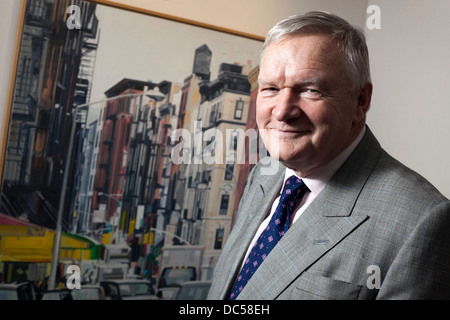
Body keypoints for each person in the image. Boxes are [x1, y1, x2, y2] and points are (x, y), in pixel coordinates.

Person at [207, 11, 450, 300]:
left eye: (310, 90)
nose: (282, 111)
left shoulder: (421, 221)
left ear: (360, 101)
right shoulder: (265, 173)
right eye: (271, 88)